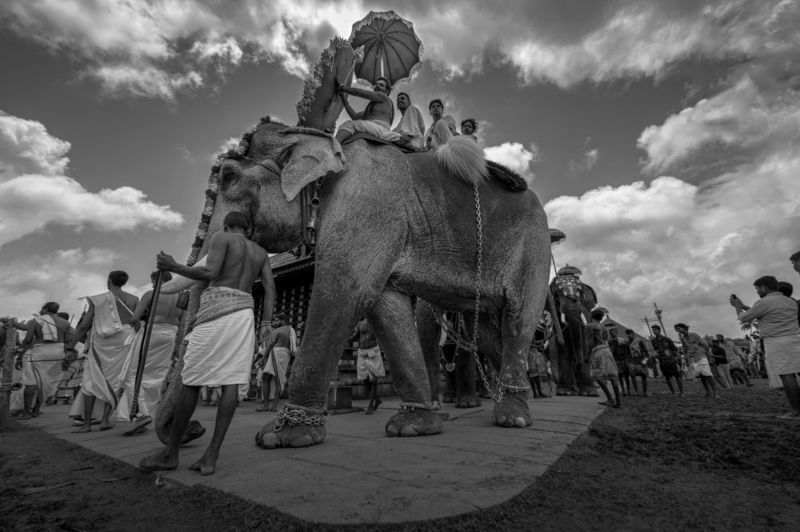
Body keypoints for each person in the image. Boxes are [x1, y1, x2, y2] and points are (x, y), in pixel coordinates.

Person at [140, 212, 274, 475]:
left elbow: (209, 272)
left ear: (226, 225)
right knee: (231, 382)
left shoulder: (221, 237)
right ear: (249, 229)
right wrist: (266, 323)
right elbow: (270, 289)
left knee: (191, 380)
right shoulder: (260, 252)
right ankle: (211, 455)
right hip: (244, 314)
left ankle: (170, 453)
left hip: (215, 309)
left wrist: (174, 266)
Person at [68, 271, 139, 431]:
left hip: (102, 339)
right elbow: (136, 322)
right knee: (115, 379)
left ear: (109, 281)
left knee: (91, 379)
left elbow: (84, 325)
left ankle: (87, 424)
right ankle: (105, 420)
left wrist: (71, 346)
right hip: (124, 339)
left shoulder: (98, 300)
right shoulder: (134, 299)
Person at [116, 271, 183, 436]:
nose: (152, 284)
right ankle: (144, 414)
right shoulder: (180, 297)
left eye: (153, 281)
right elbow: (182, 324)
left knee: (133, 374)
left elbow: (134, 319)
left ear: (157, 280)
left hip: (152, 332)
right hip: (171, 335)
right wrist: (178, 345)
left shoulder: (151, 294)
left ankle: (141, 414)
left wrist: (139, 330)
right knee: (156, 376)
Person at [731, 275, 800, 418]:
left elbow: (744, 318)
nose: (757, 292)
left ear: (764, 287)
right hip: (795, 339)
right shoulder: (790, 301)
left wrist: (737, 307)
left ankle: (796, 411)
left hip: (777, 342)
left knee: (787, 376)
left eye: (757, 289)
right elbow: (768, 312)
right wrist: (744, 306)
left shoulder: (764, 302)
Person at [14, 303, 74, 419]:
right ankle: (36, 410)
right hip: (58, 353)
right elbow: (68, 340)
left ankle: (26, 412)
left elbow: (28, 340)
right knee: (47, 382)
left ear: (45, 309)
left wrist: (20, 356)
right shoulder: (65, 323)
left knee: (31, 382)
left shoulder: (35, 321)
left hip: (40, 352)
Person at [335, 77, 401, 144]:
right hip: (375, 128)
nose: (377, 86)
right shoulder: (374, 108)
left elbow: (359, 92)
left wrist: (344, 88)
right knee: (355, 124)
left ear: (387, 91)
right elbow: (354, 116)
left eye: (381, 85)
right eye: (376, 84)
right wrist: (343, 98)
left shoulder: (384, 97)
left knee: (349, 125)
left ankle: (333, 146)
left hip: (379, 129)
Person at [255, 312, 297, 412]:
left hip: (276, 353)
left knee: (265, 378)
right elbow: (293, 346)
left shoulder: (277, 330)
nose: (275, 322)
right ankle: (274, 406)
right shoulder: (291, 330)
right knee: (279, 379)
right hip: (286, 354)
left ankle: (266, 405)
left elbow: (270, 345)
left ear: (283, 321)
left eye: (277, 320)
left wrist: (263, 357)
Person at [349, 317, 385, 414]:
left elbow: (382, 335)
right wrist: (345, 339)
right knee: (365, 379)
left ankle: (370, 406)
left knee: (373, 379)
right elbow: (355, 337)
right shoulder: (360, 323)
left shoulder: (376, 322)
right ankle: (377, 399)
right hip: (362, 352)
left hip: (373, 351)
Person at [586, 309, 621, 408]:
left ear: (591, 316)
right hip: (607, 351)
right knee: (613, 376)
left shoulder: (590, 326)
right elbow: (605, 340)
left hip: (598, 352)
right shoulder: (604, 327)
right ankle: (618, 402)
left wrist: (587, 355)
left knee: (597, 376)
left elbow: (590, 342)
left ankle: (610, 398)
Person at [674, 323, 717, 398]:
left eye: (679, 328)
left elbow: (704, 344)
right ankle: (708, 392)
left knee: (708, 375)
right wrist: (682, 340)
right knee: (702, 376)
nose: (678, 330)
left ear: (684, 328)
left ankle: (715, 393)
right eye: (677, 329)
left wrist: (708, 354)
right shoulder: (683, 338)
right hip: (693, 358)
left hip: (701, 356)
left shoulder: (694, 335)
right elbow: (686, 348)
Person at [650, 325, 683, 395]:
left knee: (677, 376)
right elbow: (656, 350)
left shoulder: (667, 339)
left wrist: (677, 358)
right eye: (653, 330)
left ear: (659, 330)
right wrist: (656, 355)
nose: (654, 331)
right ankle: (673, 392)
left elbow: (674, 349)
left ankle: (681, 392)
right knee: (667, 377)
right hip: (662, 361)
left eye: (655, 330)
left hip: (671, 360)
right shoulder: (653, 341)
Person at [607, 327, 633, 396]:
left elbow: (627, 349)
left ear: (616, 333)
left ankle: (628, 390)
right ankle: (623, 391)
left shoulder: (622, 340)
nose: (613, 333)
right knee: (620, 376)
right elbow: (610, 351)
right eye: (611, 333)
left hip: (624, 359)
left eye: (614, 332)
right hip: (616, 360)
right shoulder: (609, 342)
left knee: (626, 376)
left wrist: (628, 358)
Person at [625, 329, 650, 396]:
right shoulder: (627, 343)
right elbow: (627, 354)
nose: (629, 335)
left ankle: (645, 392)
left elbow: (647, 353)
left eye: (630, 334)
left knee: (644, 376)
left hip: (641, 361)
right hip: (632, 362)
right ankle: (636, 392)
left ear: (633, 334)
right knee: (633, 376)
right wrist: (628, 363)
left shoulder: (640, 341)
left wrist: (644, 361)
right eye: (627, 334)